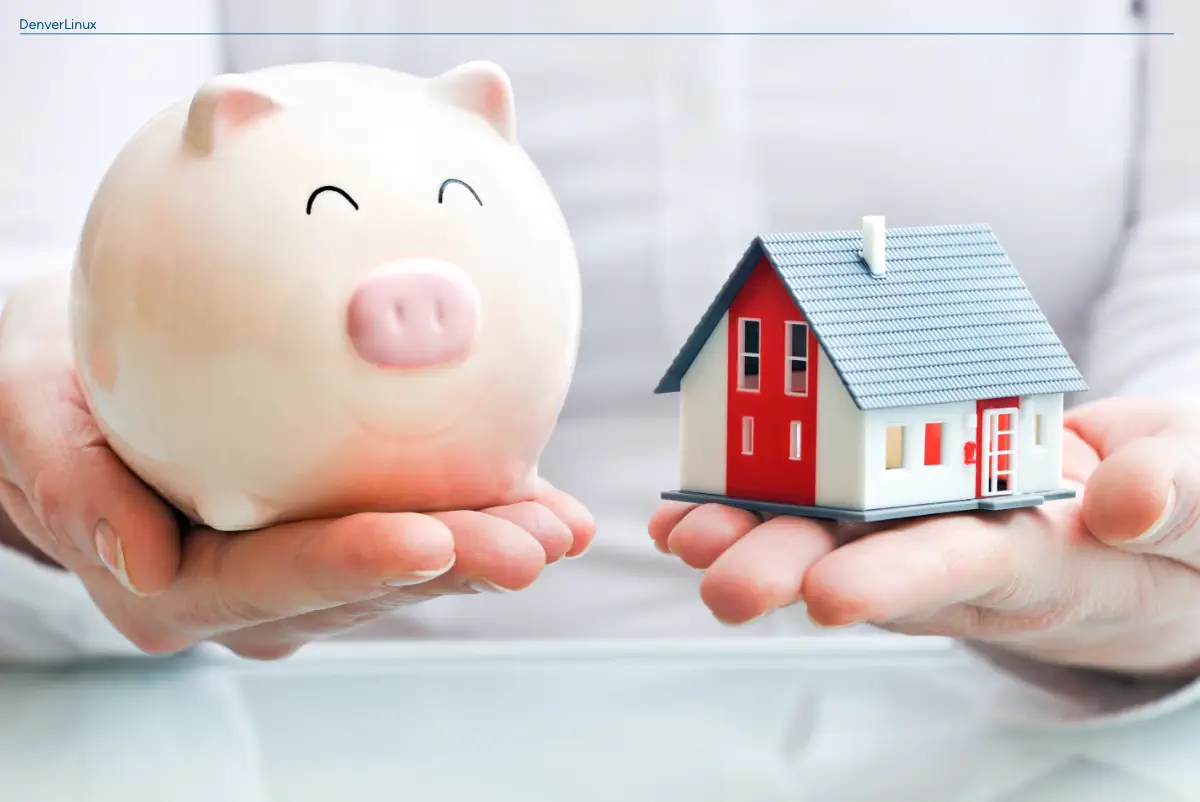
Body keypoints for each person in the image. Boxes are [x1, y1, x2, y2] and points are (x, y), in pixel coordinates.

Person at [1, 0, 1198, 722]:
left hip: (1024, 738)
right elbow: (47, 241)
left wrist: (1160, 550)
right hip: (300, 731)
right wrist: (49, 411)